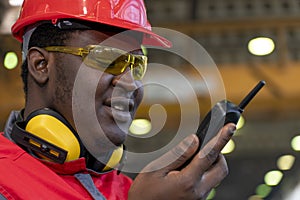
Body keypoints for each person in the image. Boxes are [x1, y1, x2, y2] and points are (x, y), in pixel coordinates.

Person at [0, 0, 236, 199]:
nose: (130, 83)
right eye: (106, 59)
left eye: (136, 66)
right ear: (40, 65)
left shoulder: (126, 191)